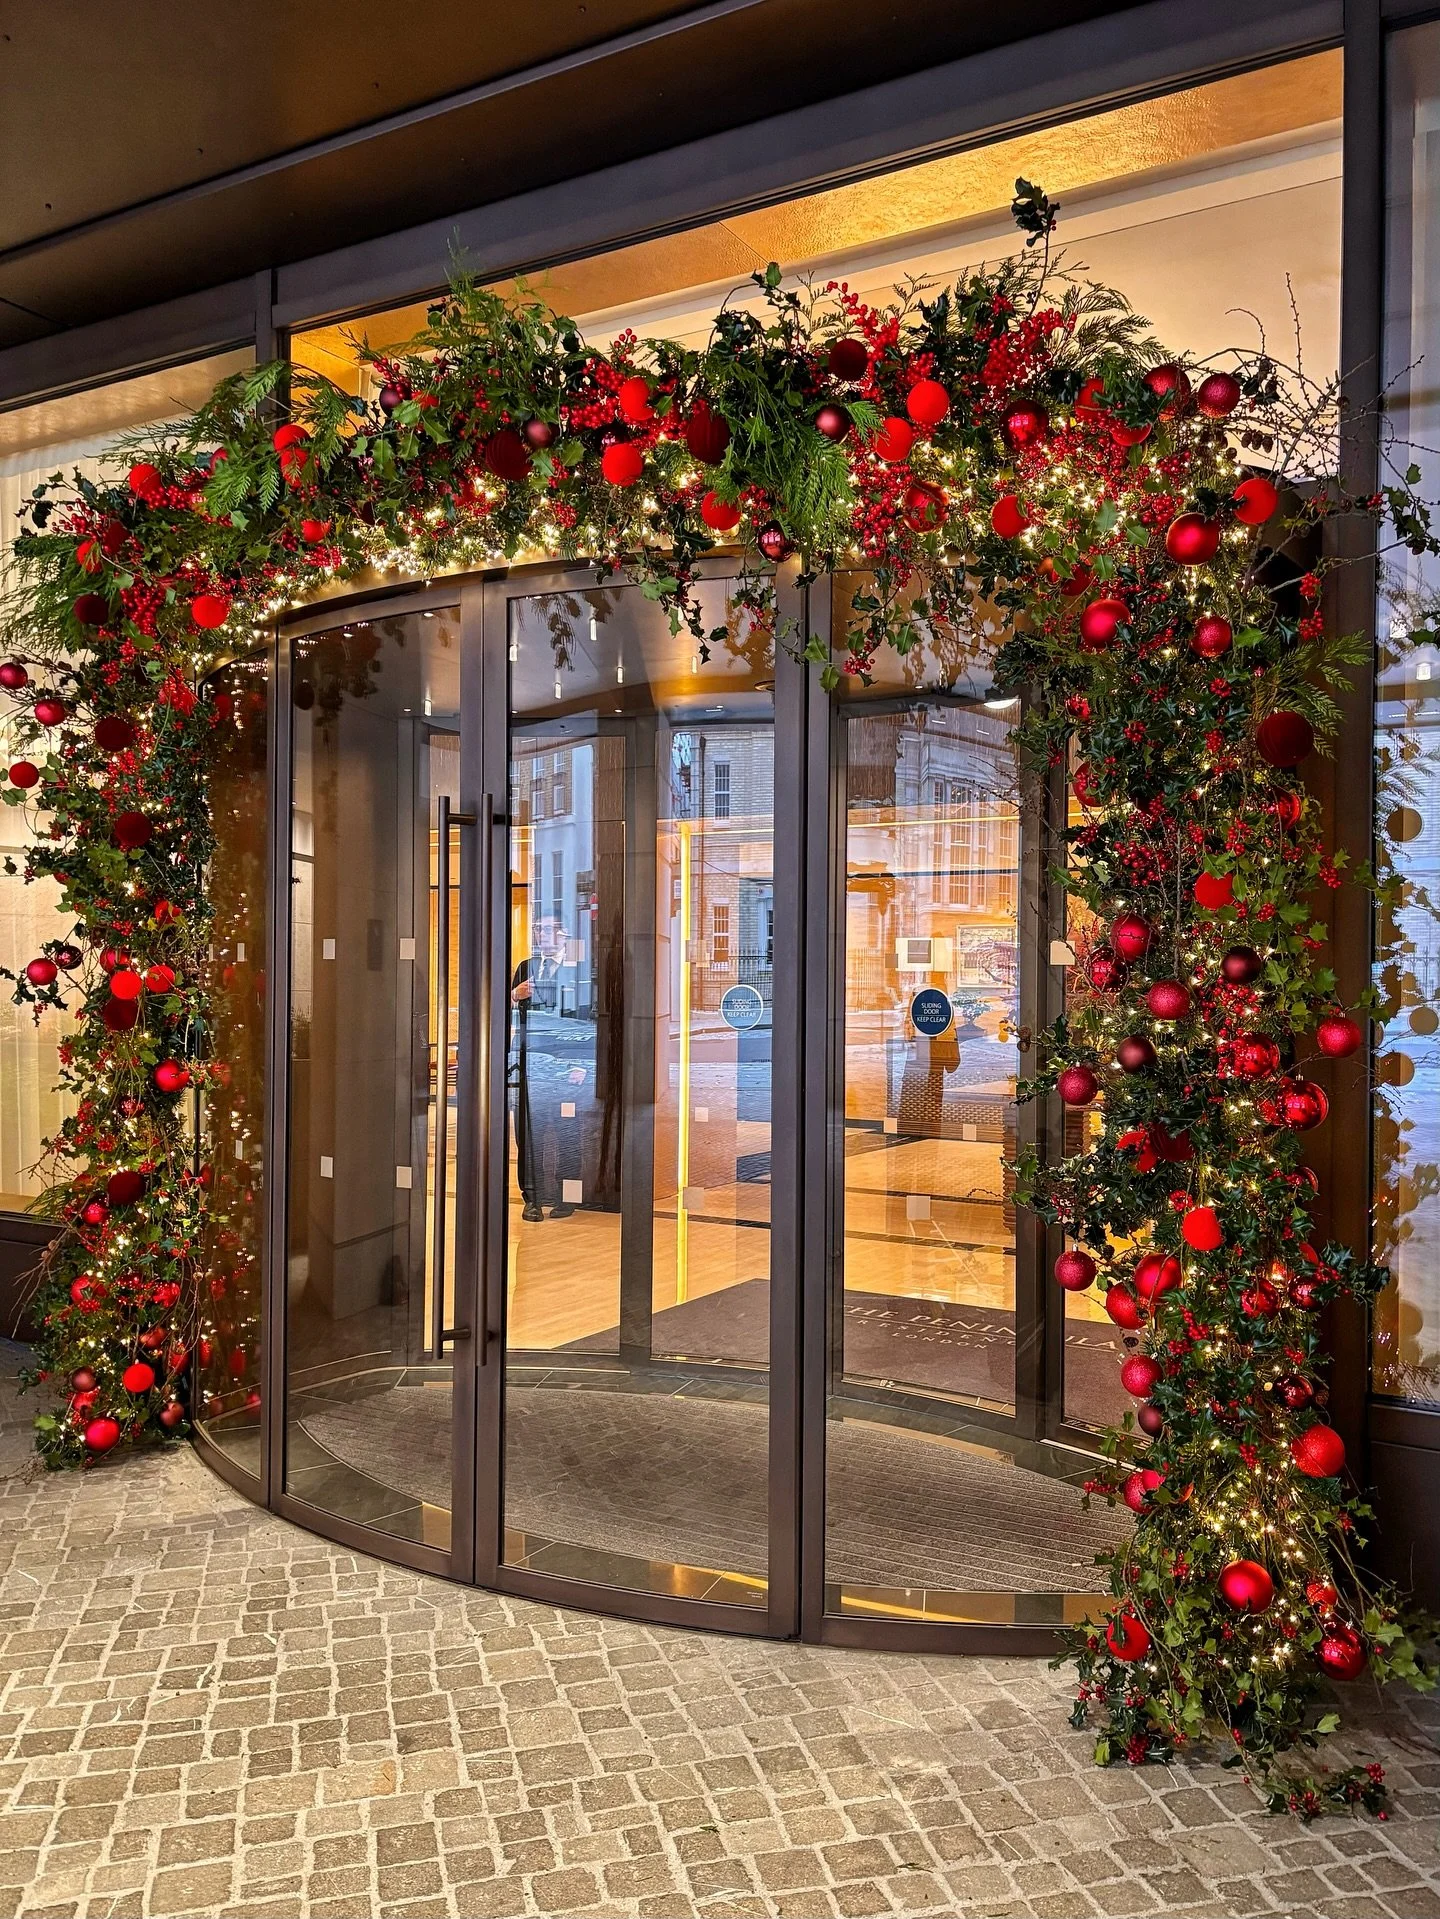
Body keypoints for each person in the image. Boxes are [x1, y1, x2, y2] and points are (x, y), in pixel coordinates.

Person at [510, 918, 586, 1221]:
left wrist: (581, 1063)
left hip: (568, 1065)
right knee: (528, 1134)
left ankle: (567, 1198)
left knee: (568, 1134)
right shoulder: (525, 967)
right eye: (538, 929)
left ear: (564, 933)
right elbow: (506, 1010)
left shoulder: (580, 969)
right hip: (530, 1062)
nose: (542, 934)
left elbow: (588, 1016)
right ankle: (532, 1198)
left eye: (549, 929)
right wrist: (515, 995)